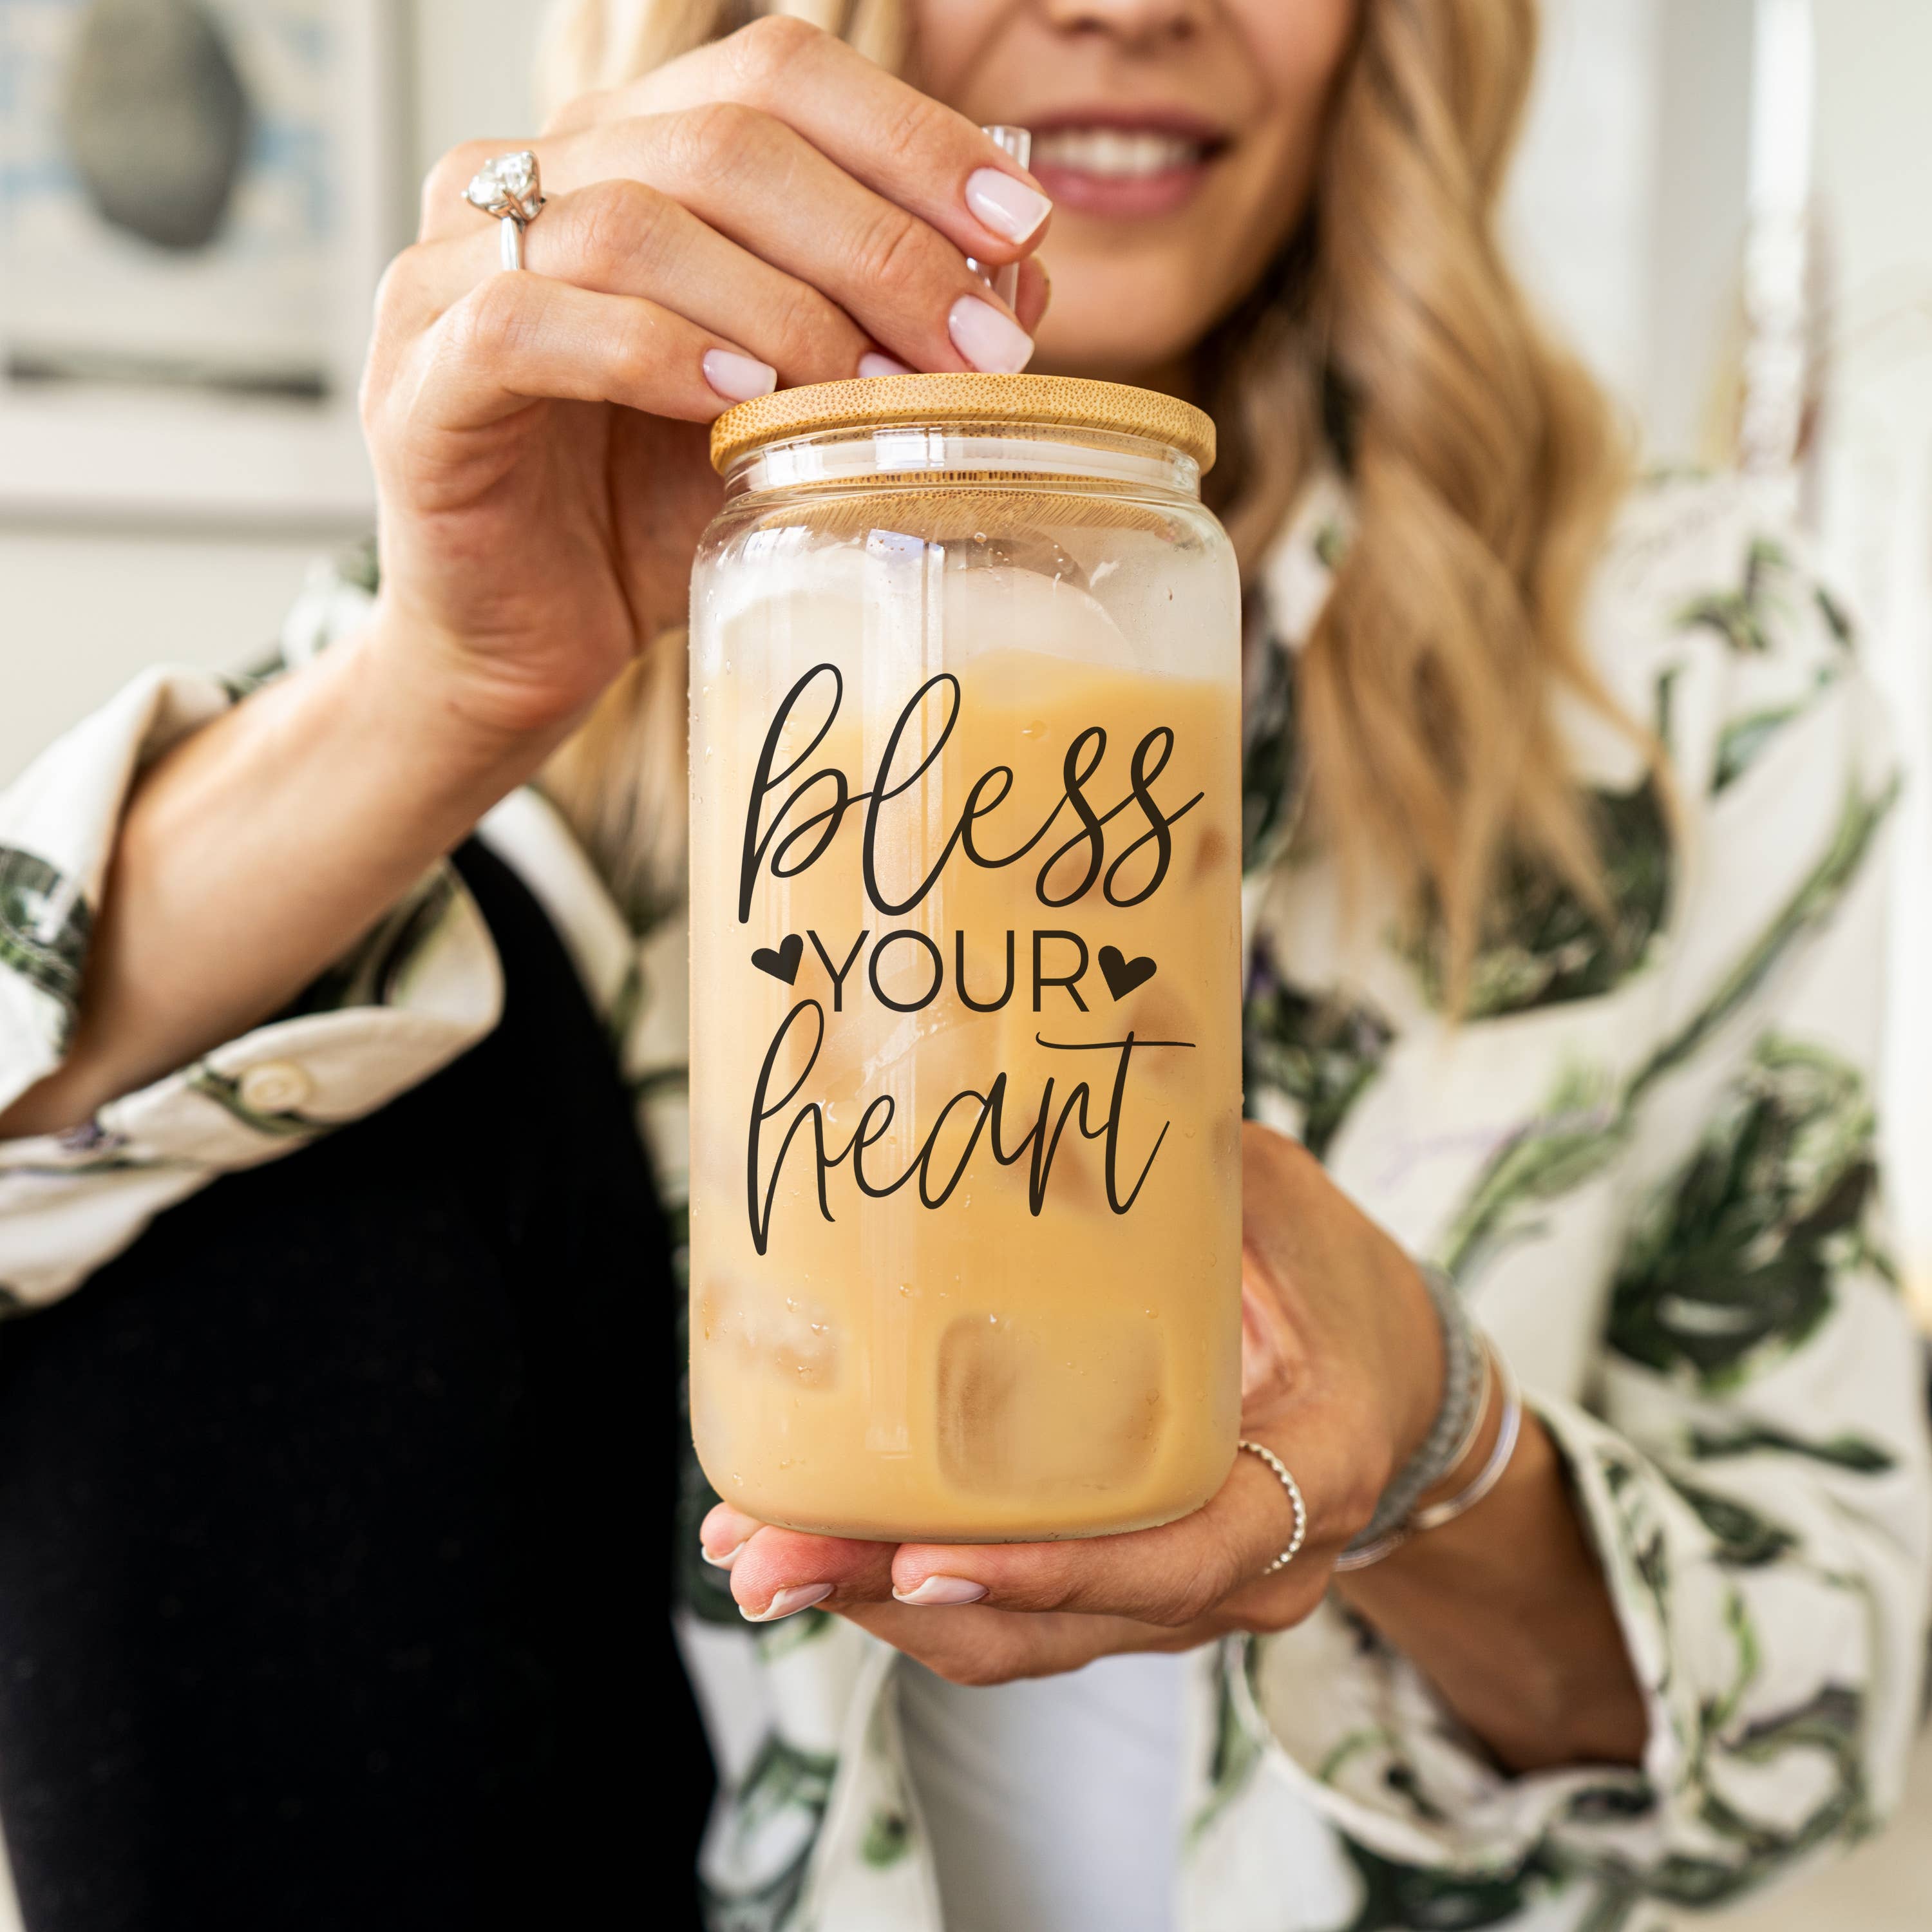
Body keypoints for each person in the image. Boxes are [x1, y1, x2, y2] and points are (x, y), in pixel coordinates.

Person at [0, 1, 1925, 1928]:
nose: (1129, 8)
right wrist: (447, 686)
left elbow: (1823, 1709)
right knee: (289, 1083)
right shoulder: (591, 524)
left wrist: (1444, 1441)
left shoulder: (1692, 675)